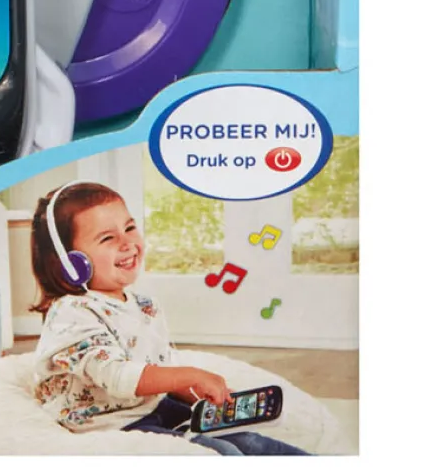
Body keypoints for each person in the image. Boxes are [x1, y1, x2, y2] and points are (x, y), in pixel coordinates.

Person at [30, 181, 307, 455]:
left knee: (249, 440)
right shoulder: (72, 312)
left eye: (129, 228)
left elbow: (159, 367)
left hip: (150, 406)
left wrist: (191, 392)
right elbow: (117, 375)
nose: (127, 243)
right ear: (71, 263)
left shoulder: (144, 305)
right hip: (110, 423)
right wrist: (189, 376)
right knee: (219, 452)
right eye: (108, 238)